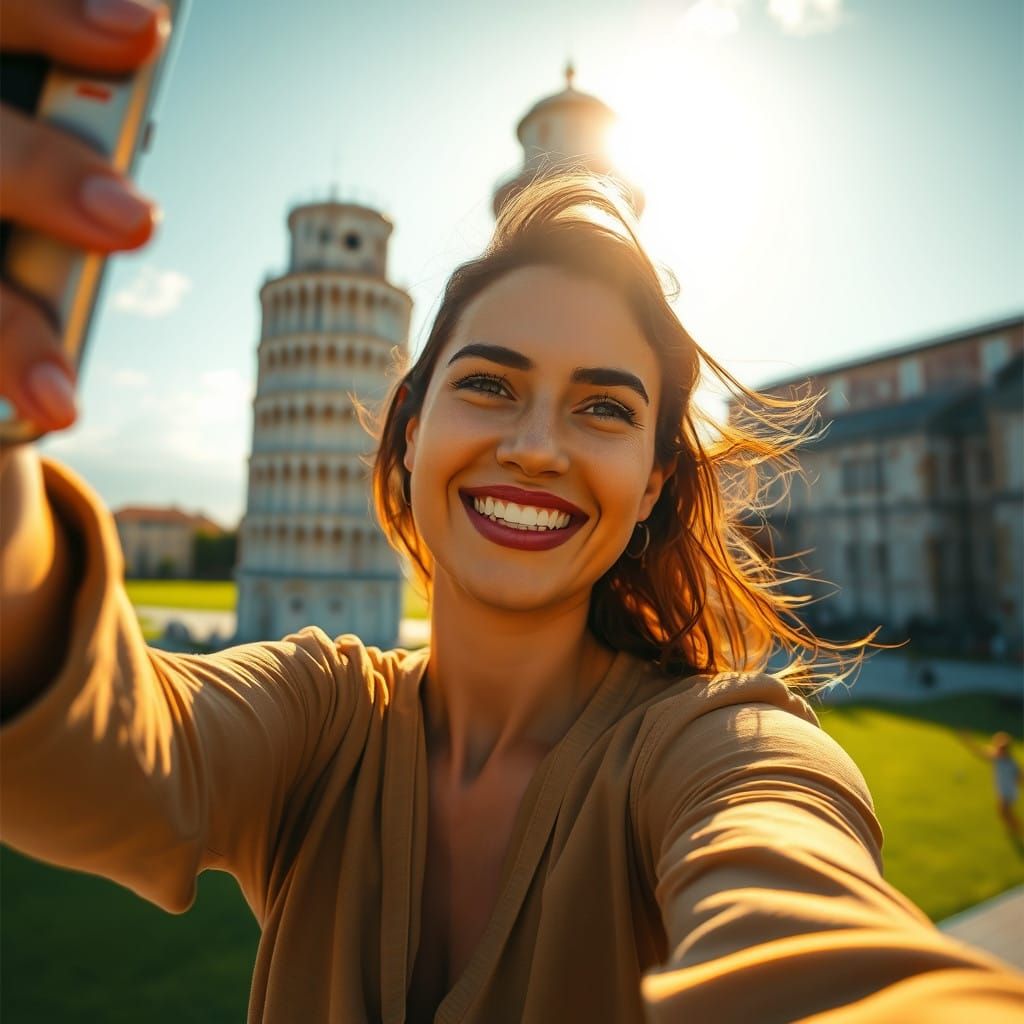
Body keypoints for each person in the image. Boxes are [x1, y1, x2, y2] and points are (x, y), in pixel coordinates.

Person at [2, 3, 1023, 1021]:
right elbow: (100, 744)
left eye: (603, 407)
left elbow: (820, 923)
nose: (537, 447)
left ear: (656, 480)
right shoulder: (320, 713)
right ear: (408, 429)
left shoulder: (724, 749)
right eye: (489, 383)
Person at [956, 730, 1023, 842]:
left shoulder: (1011, 763)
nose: (998, 749)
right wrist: (968, 741)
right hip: (1003, 791)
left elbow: (1020, 778)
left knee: (1005, 813)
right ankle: (1014, 830)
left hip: (1008, 792)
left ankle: (1018, 830)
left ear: (1006, 749)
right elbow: (980, 752)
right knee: (1003, 813)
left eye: (1001, 748)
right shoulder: (998, 758)